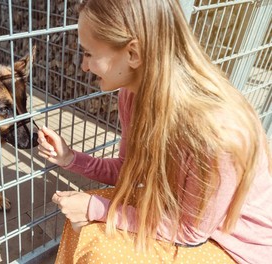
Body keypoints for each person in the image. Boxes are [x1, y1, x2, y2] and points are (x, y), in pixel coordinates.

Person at [37, 0, 272, 263]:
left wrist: (97, 209)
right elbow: (129, 170)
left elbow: (191, 232)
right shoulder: (131, 97)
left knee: (101, 251)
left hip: (233, 245)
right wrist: (70, 159)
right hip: (179, 214)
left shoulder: (215, 133)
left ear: (133, 54)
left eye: (89, 53)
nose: (84, 66)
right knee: (83, 218)